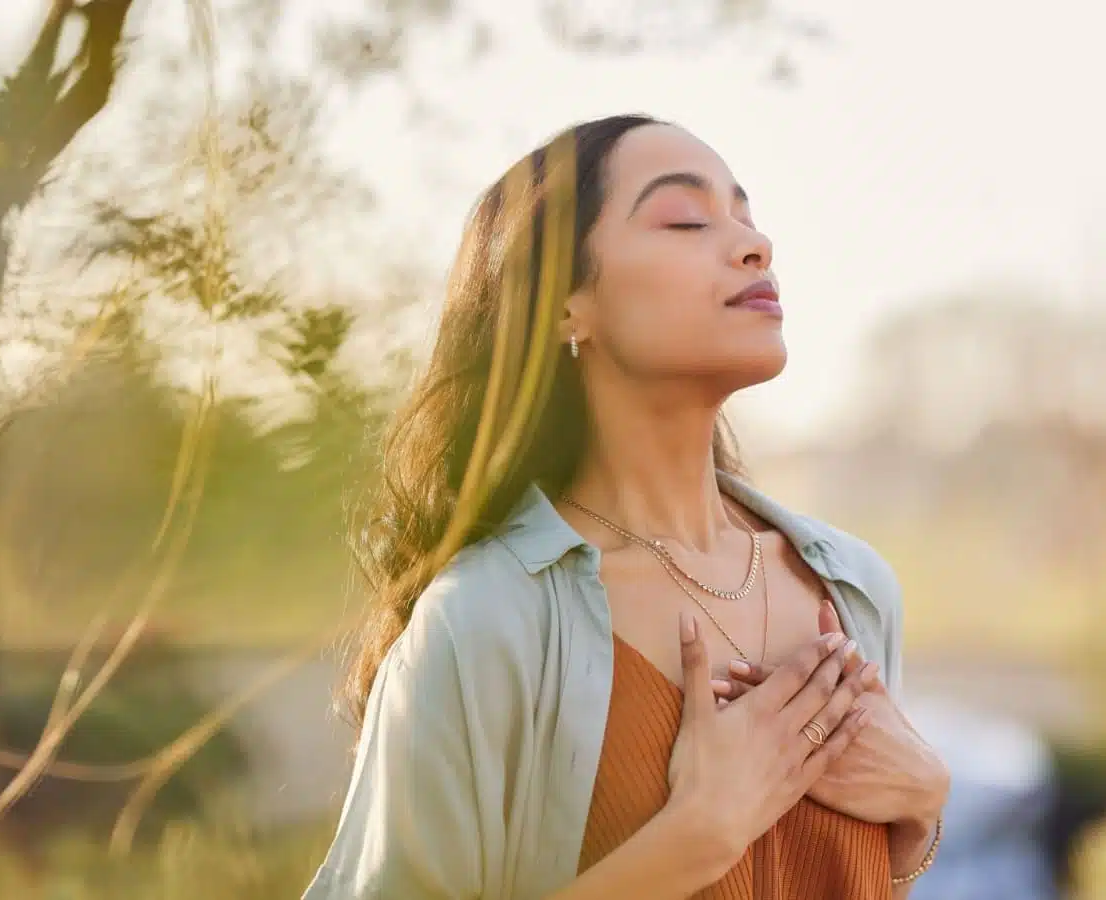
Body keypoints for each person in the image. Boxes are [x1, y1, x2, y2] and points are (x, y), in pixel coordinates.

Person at [302, 113, 951, 900]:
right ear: (566, 307)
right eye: (685, 219)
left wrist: (921, 808)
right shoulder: (486, 620)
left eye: (746, 217)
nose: (755, 246)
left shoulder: (853, 588)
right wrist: (694, 838)